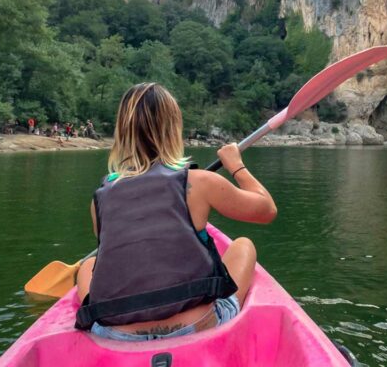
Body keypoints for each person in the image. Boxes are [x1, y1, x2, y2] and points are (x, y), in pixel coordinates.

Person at [74, 83, 276, 341]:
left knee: (88, 265)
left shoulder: (100, 198)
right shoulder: (199, 182)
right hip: (196, 326)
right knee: (244, 245)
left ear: (122, 132)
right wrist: (236, 165)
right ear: (173, 128)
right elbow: (266, 209)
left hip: (114, 334)